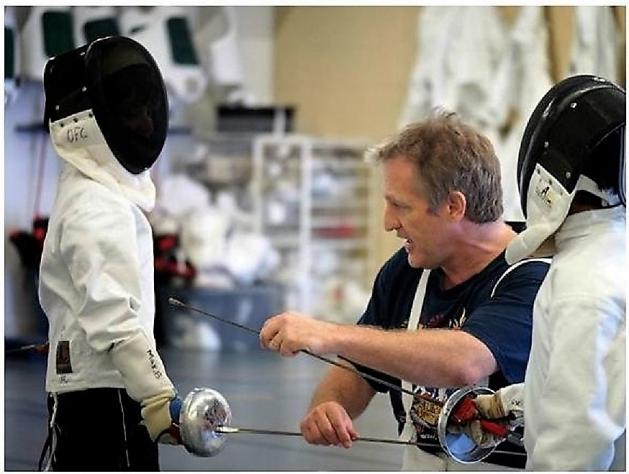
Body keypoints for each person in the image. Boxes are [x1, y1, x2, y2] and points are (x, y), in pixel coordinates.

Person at [259, 111, 550, 470]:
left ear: (454, 206)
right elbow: (359, 364)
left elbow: (466, 360)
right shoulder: (408, 270)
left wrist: (329, 333)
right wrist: (330, 405)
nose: (387, 222)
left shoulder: (535, 277)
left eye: (400, 206)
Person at [461, 75, 626, 470]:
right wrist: (510, 403)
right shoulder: (609, 255)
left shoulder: (583, 284)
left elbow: (576, 438)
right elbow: (602, 383)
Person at [38, 36, 184, 470]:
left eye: (145, 110)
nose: (141, 123)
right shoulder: (98, 205)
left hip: (92, 391)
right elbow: (113, 315)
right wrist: (158, 395)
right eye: (128, 111)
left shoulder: (86, 192)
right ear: (86, 120)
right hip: (108, 399)